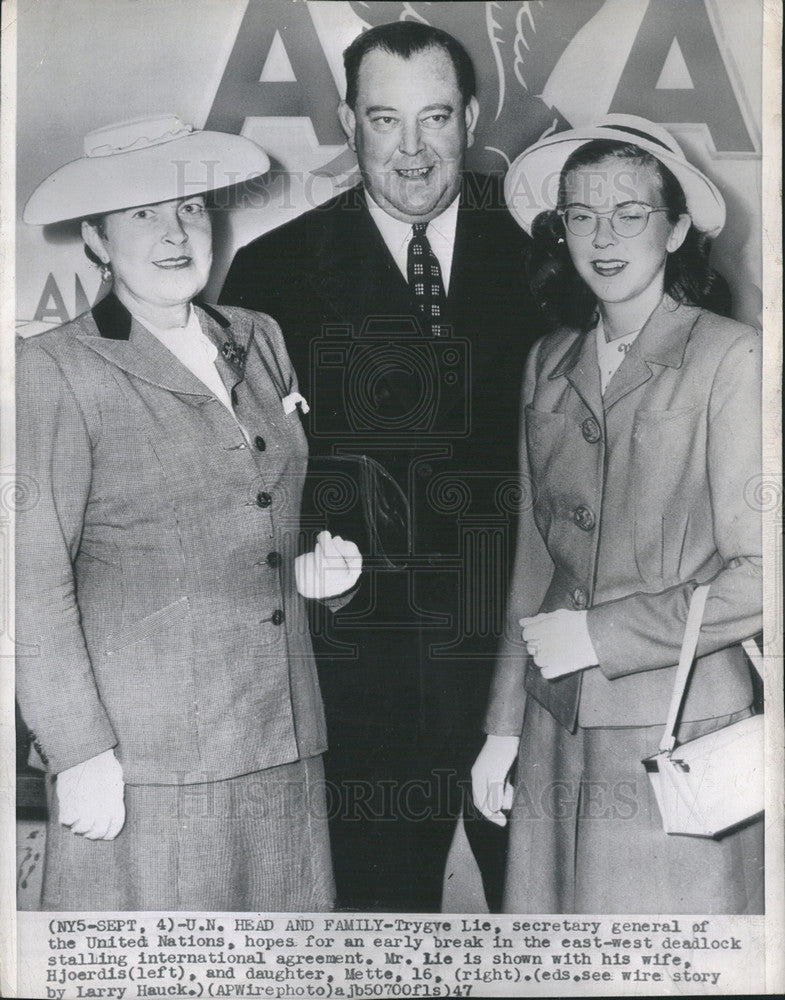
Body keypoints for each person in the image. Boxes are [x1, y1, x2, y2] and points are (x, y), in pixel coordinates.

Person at [220, 21, 540, 911]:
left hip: (521, 675)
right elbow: (240, 488)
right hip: (361, 687)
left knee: (553, 929)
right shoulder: (272, 272)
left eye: (434, 118)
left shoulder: (542, 257)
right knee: (377, 931)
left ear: (470, 118)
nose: (411, 149)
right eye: (384, 119)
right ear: (346, 120)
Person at [16, 115, 361, 911]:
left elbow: (266, 510)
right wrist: (78, 750)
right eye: (143, 214)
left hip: (283, 738)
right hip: (149, 759)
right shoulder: (56, 368)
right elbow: (29, 581)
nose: (175, 233)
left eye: (192, 207)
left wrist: (324, 571)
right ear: (97, 240)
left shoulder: (257, 336)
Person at [471, 114, 764, 914]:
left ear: (674, 230)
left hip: (677, 728)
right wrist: (502, 725)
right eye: (580, 214)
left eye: (629, 213)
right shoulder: (548, 360)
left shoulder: (730, 358)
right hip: (554, 725)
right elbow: (533, 563)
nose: (602, 236)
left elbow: (763, 577)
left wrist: (601, 636)